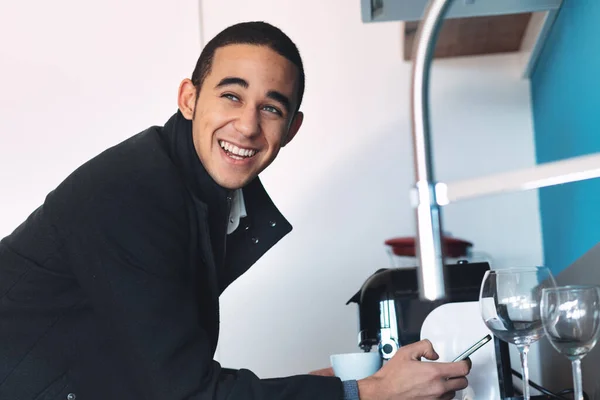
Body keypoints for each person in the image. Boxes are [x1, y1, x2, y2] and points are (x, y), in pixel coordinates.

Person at [0, 21, 471, 400]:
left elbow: (157, 370)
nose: (246, 125)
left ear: (292, 128)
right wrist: (366, 393)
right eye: (231, 95)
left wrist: (334, 386)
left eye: (271, 108)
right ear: (189, 98)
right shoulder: (132, 194)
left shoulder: (207, 199)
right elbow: (188, 392)